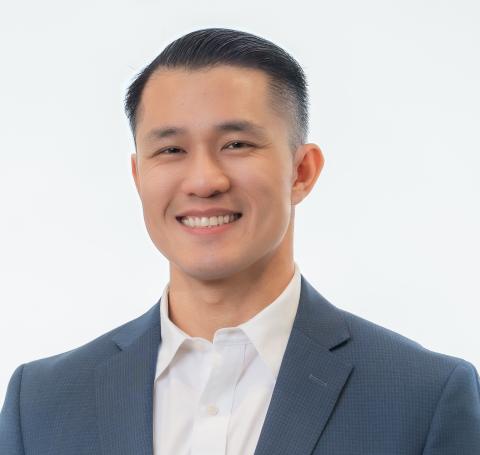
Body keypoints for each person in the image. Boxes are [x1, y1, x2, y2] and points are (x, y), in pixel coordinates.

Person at [1, 27, 479, 455]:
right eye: (171, 149)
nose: (204, 181)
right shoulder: (40, 403)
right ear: (138, 176)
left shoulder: (425, 398)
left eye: (236, 145)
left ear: (302, 171)